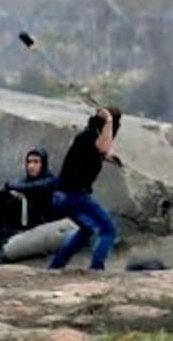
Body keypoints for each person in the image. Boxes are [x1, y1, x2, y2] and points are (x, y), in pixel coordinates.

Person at [48, 107, 122, 271]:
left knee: (86, 229)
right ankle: (97, 268)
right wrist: (109, 120)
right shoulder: (91, 138)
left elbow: (98, 151)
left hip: (61, 196)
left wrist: (108, 157)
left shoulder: (85, 139)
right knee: (108, 230)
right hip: (75, 196)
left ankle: (57, 265)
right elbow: (102, 147)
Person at [0, 148, 58, 233]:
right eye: (29, 162)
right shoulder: (23, 180)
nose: (31, 166)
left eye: (36, 162)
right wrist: (12, 193)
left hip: (43, 226)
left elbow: (34, 187)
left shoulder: (50, 179)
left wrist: (11, 187)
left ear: (43, 164)